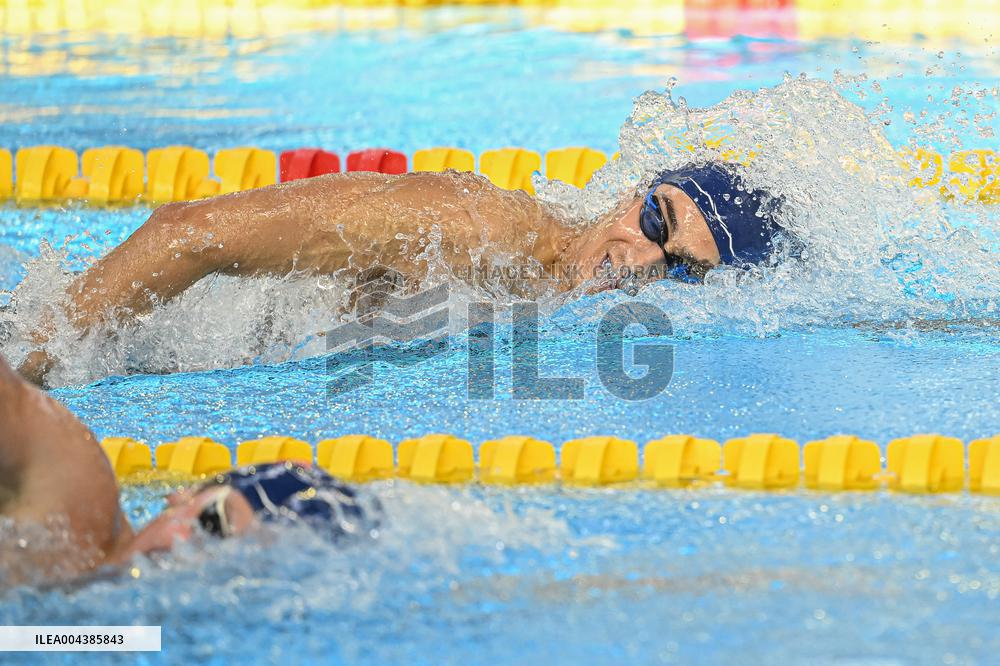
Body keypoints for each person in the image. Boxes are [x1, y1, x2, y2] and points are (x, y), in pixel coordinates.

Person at [14, 162, 786, 385]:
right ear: (632, 194)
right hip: (102, 345)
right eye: (656, 223)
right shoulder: (476, 229)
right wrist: (30, 365)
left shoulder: (566, 313)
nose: (642, 260)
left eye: (681, 271)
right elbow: (188, 234)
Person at [0, 351, 380, 586]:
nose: (192, 551)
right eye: (211, 522)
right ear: (183, 496)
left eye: (240, 568)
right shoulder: (73, 505)